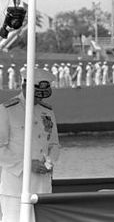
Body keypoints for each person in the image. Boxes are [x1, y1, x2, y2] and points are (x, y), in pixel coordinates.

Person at [0, 68, 60, 222]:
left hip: (42, 186)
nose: (38, 99)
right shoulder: (7, 110)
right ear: (25, 87)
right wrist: (26, 166)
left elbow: (54, 143)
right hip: (16, 188)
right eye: (36, 94)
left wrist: (50, 162)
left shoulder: (47, 111)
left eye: (41, 95)